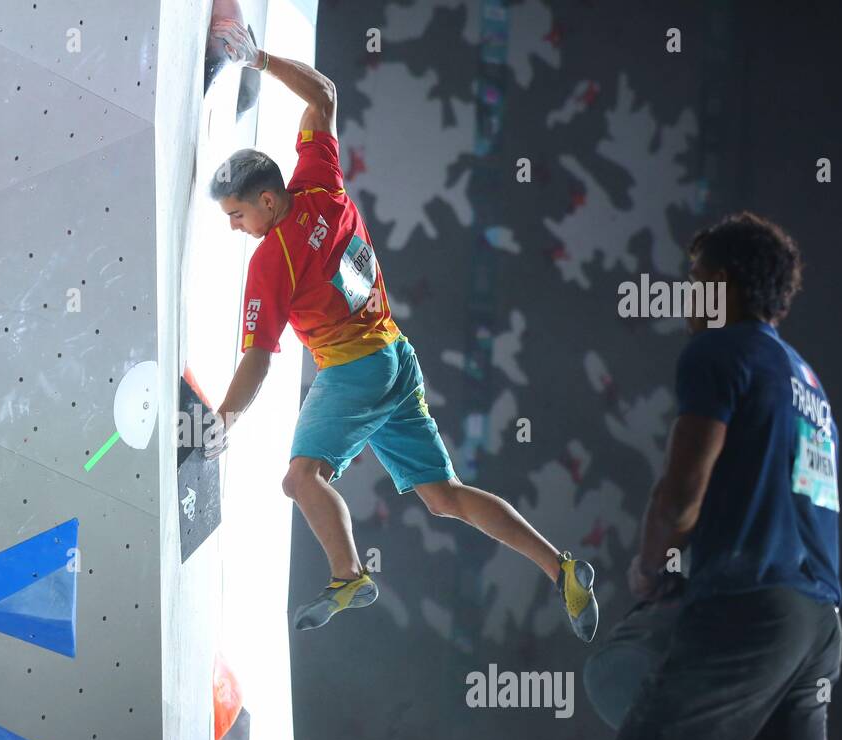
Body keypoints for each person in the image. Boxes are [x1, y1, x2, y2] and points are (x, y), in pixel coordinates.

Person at [204, 22, 597, 640]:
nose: (235, 228)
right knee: (445, 496)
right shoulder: (321, 187)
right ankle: (562, 566)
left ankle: (348, 575)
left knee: (302, 478)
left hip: (358, 372)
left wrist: (222, 419)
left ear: (268, 201)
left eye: (237, 214)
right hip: (396, 358)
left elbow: (258, 358)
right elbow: (324, 96)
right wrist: (258, 57)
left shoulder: (271, 259)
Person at [583, 212, 842, 740]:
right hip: (816, 625)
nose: (687, 296)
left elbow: (681, 491)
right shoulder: (808, 384)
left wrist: (648, 569)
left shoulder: (720, 351)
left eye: (695, 279)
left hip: (747, 611)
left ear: (721, 282)